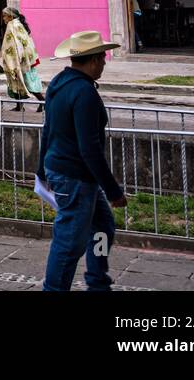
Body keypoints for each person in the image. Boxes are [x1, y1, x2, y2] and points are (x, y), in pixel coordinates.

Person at [38, 31, 128, 291]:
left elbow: (48, 129)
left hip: (66, 172)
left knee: (102, 226)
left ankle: (97, 280)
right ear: (93, 61)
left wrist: (42, 169)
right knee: (68, 244)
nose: (104, 64)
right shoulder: (84, 93)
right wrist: (113, 191)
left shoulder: (60, 83)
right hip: (75, 177)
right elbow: (90, 148)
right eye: (102, 58)